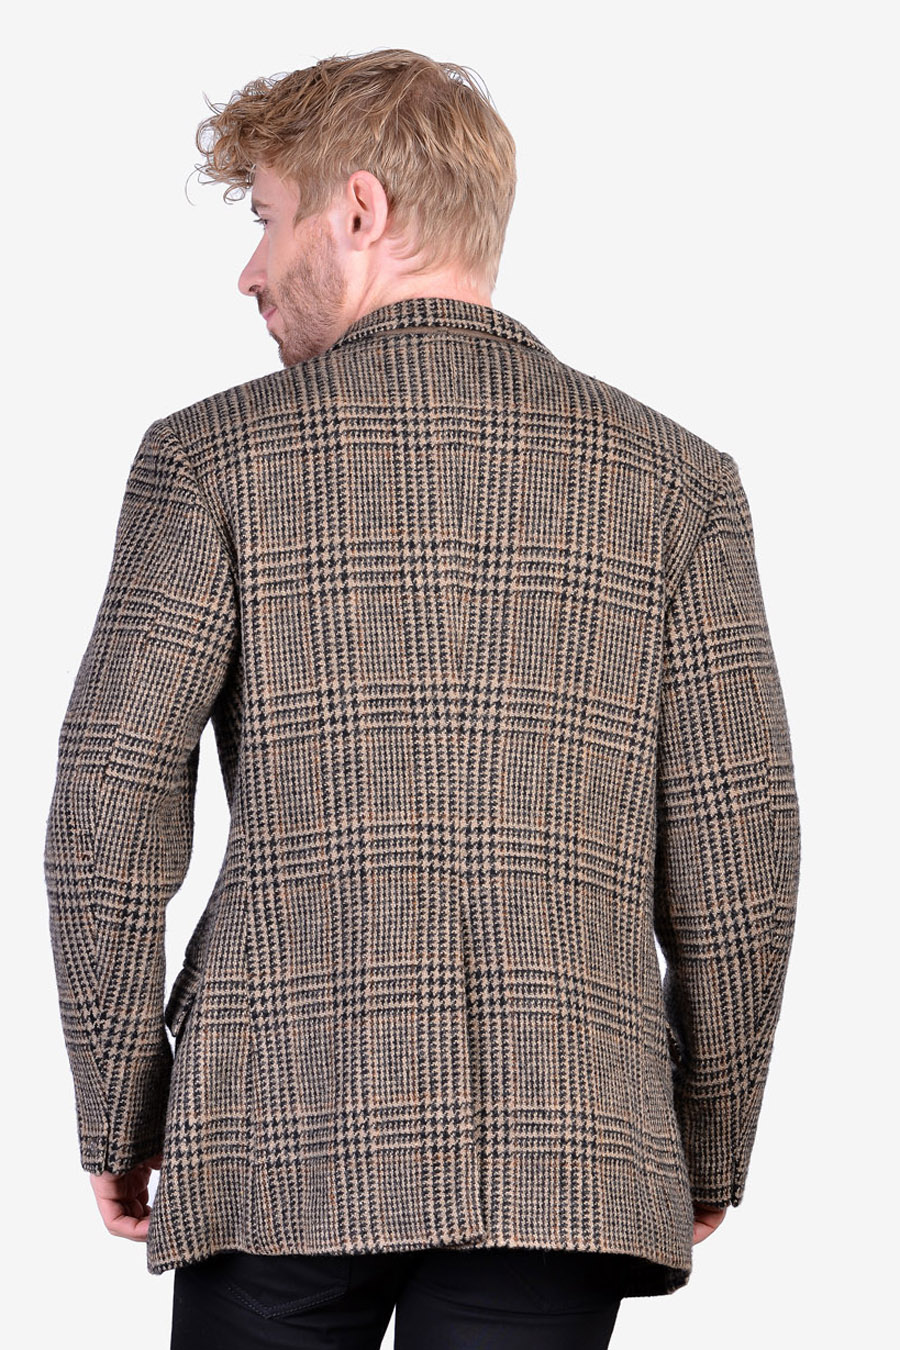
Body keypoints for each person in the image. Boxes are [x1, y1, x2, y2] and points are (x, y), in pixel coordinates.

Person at [45, 48, 801, 1350]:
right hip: (568, 1146)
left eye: (266, 218)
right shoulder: (675, 480)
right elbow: (743, 859)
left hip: (277, 1133)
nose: (249, 271)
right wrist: (703, 1136)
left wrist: (123, 1105)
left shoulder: (210, 458)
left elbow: (109, 809)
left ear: (360, 209)